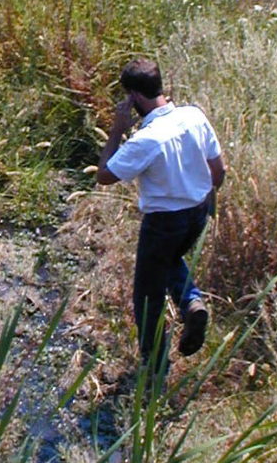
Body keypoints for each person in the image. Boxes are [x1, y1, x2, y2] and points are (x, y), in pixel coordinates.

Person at [96, 58, 226, 372]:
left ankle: (154, 367)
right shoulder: (193, 116)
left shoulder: (145, 140)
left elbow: (103, 175)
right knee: (169, 261)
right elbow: (219, 171)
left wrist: (116, 130)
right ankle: (191, 301)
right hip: (196, 214)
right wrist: (206, 198)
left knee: (147, 297)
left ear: (134, 98)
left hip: (164, 222)